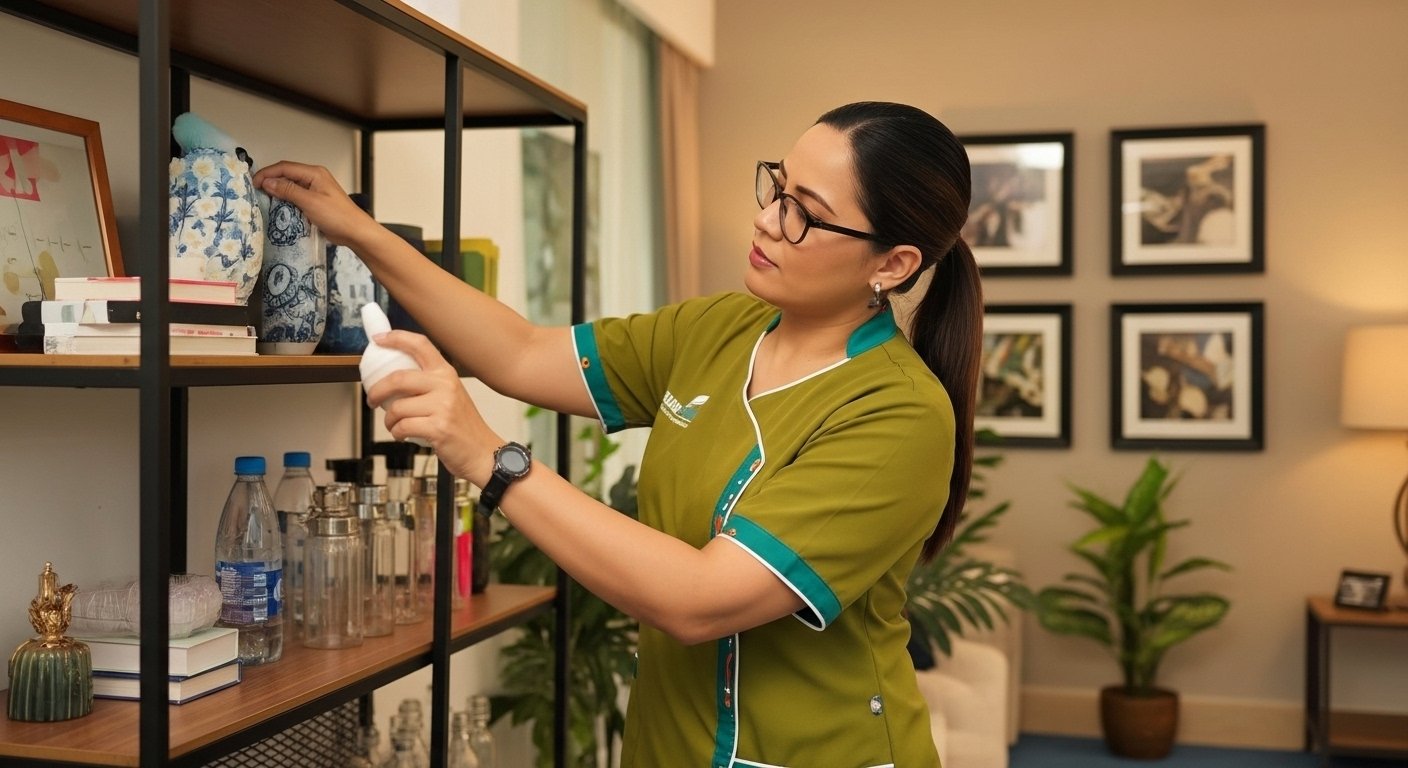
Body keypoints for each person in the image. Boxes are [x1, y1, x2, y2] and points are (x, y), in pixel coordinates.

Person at [254, 100, 981, 767]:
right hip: (670, 745)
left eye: (805, 214)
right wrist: (358, 232)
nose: (767, 219)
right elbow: (519, 352)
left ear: (893, 264)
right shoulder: (719, 329)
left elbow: (700, 599)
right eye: (777, 187)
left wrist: (487, 457)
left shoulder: (899, 414)